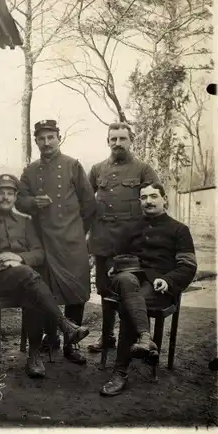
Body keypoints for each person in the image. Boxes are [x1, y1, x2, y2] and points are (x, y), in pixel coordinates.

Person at [0, 174, 90, 378]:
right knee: (30, 278)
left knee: (32, 290)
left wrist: (19, 258)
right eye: (0, 193)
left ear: (16, 197)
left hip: (23, 278)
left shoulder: (25, 222)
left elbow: (39, 253)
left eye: (10, 193)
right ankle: (64, 325)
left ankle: (34, 356)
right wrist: (2, 260)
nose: (5, 198)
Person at [99, 182, 197, 396]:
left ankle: (120, 372)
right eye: (143, 197)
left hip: (158, 287)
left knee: (129, 305)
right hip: (128, 280)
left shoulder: (179, 230)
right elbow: (111, 257)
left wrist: (169, 281)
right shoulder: (130, 228)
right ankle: (145, 338)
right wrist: (112, 267)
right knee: (125, 282)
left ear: (165, 200)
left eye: (153, 196)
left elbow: (188, 266)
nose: (148, 201)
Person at [16, 119, 96, 365]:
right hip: (43, 242)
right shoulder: (30, 170)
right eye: (41, 138)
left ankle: (72, 347)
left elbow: (89, 203)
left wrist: (77, 230)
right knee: (44, 291)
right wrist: (32, 203)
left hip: (72, 242)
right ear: (36, 141)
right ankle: (49, 339)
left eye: (51, 137)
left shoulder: (73, 165)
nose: (47, 142)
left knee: (76, 293)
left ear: (58, 138)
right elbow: (19, 199)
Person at [87, 122, 160, 353]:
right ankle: (107, 337)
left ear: (131, 140)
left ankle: (130, 340)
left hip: (132, 246)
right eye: (113, 139)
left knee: (128, 290)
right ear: (107, 142)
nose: (117, 143)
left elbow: (153, 203)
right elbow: (86, 204)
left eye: (122, 139)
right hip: (103, 243)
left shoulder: (143, 170)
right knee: (104, 290)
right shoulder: (97, 170)